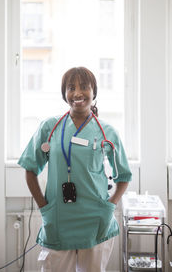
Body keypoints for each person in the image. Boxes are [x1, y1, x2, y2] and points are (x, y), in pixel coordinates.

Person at [18, 67, 132, 272]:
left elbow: (123, 176)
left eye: (84, 87)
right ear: (64, 94)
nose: (77, 93)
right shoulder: (49, 127)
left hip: (95, 219)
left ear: (94, 92)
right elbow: (30, 168)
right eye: (71, 88)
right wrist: (44, 207)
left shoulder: (107, 132)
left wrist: (109, 206)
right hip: (59, 219)